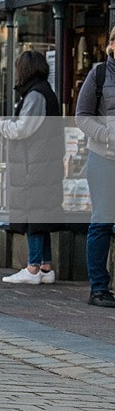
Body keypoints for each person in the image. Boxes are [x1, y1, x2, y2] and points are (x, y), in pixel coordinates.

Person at [0, 51, 63, 285]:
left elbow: (23, 129)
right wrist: (1, 123)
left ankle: (33, 268)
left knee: (33, 213)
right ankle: (45, 266)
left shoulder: (36, 95)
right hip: (41, 163)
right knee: (40, 214)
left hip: (33, 165)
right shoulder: (43, 92)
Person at [75, 25, 115, 308]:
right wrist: (109, 136)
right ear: (112, 44)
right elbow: (82, 117)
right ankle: (99, 289)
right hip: (104, 159)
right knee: (102, 220)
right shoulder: (99, 74)